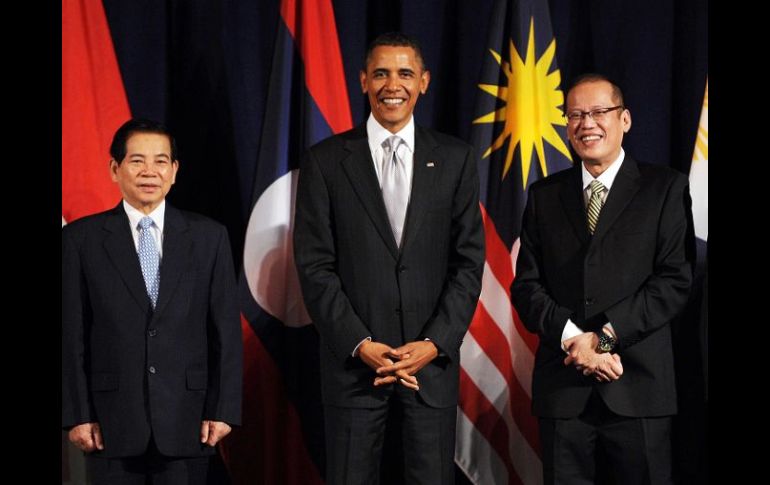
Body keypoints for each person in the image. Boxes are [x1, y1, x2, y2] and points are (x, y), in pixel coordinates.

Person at [293, 32, 484, 484]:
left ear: (424, 82)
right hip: (354, 372)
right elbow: (315, 266)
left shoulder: (455, 159)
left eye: (404, 73)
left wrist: (434, 342)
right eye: (380, 73)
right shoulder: (325, 161)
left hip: (429, 369)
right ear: (363, 81)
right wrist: (360, 344)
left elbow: (468, 263)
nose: (392, 85)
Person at [511, 74, 693, 484]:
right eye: (575, 115)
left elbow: (673, 281)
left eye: (598, 112)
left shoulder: (664, 188)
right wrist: (575, 340)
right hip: (564, 388)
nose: (586, 124)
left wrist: (604, 341)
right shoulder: (544, 195)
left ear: (624, 119)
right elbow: (527, 286)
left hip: (638, 386)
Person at [62, 119, 243, 485]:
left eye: (160, 161)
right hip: (109, 423)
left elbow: (225, 331)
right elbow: (70, 333)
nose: (149, 171)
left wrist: (223, 409)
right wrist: (77, 414)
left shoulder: (209, 238)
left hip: (189, 419)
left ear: (174, 171)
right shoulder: (81, 240)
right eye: (137, 161)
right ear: (115, 169)